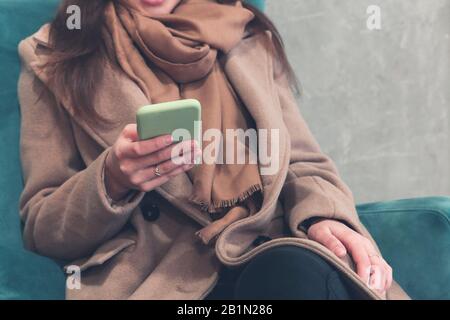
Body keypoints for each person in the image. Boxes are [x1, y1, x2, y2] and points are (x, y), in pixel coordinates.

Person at [17, 0, 409, 300]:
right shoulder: (53, 56)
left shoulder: (248, 35)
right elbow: (42, 227)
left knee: (290, 272)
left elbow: (303, 165)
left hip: (270, 252)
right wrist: (112, 179)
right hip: (161, 280)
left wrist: (326, 217)